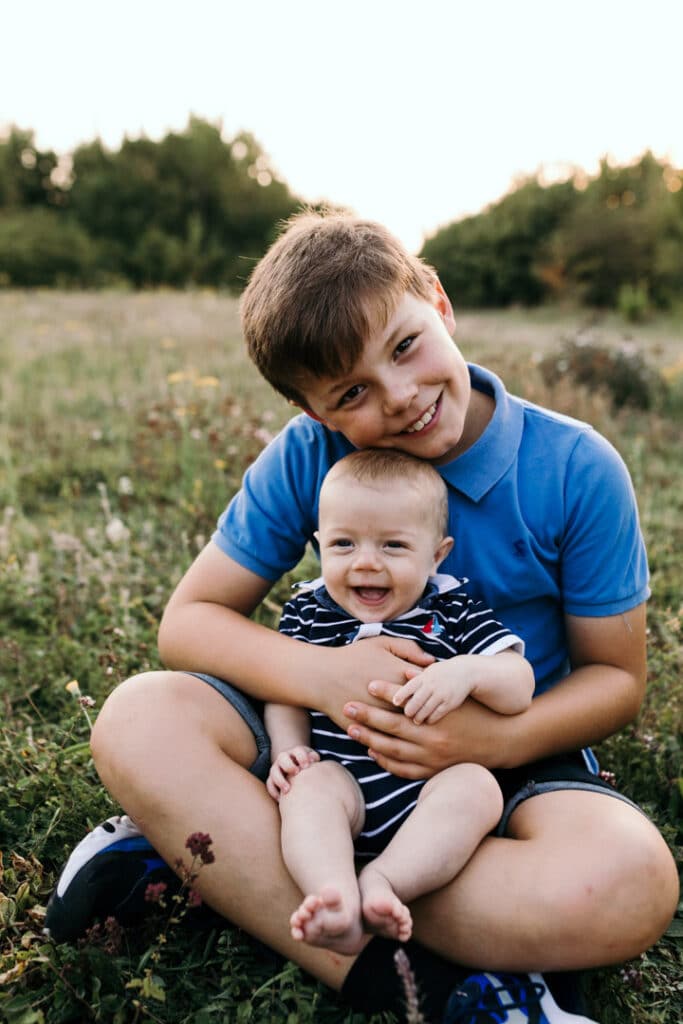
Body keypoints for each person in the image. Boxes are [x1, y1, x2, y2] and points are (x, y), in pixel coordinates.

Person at [45, 212, 678, 1024]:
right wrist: (324, 675)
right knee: (138, 717)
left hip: (498, 773)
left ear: (439, 304)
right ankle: (433, 984)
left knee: (626, 884)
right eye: (352, 393)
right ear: (316, 416)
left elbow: (614, 681)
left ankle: (220, 862)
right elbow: (191, 621)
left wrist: (494, 740)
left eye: (406, 345)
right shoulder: (308, 457)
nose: (401, 395)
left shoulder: (575, 466)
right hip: (321, 753)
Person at [266, 448, 534, 955]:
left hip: (431, 793)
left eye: (393, 546)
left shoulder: (451, 608)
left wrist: (468, 672)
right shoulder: (307, 610)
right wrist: (288, 750)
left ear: (437, 554)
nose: (366, 562)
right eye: (344, 544)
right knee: (307, 788)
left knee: (477, 787)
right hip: (344, 783)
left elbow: (519, 683)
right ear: (320, 545)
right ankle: (334, 894)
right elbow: (285, 690)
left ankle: (386, 882)